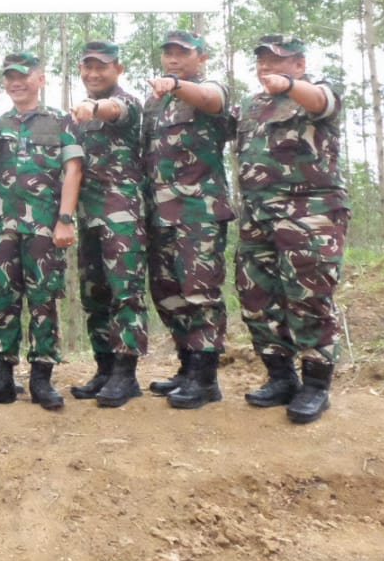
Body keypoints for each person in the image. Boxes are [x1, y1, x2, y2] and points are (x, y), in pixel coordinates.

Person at [235, 35, 350, 424]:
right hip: (258, 214)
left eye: (277, 59)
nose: (267, 66)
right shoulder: (251, 106)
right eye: (262, 60)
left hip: (310, 212)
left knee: (308, 296)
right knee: (256, 296)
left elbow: (321, 101)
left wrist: (287, 86)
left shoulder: (317, 93)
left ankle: (316, 385)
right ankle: (280, 377)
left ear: (299, 65)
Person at [0, 51, 82, 410]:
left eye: (23, 76)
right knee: (1, 300)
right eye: (10, 77)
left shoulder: (60, 121)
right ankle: (2, 377)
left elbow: (73, 169)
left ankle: (42, 379)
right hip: (3, 226)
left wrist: (65, 219)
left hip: (44, 228)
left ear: (40, 79)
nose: (16, 83)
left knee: (43, 300)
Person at [143, 28, 234, 409]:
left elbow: (211, 100)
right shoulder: (155, 104)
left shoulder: (209, 89)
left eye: (182, 52)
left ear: (201, 57)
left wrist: (177, 85)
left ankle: (206, 377)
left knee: (200, 293)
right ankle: (187, 366)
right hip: (160, 214)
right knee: (167, 294)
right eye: (168, 53)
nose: (173, 58)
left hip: (199, 211)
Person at [68, 40, 148, 408]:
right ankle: (104, 368)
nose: (93, 73)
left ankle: (126, 373)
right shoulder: (79, 117)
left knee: (125, 291)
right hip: (88, 214)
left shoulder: (126, 103)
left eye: (101, 67)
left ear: (118, 69)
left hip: (122, 213)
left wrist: (94, 108)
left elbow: (116, 111)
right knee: (94, 294)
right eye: (88, 67)